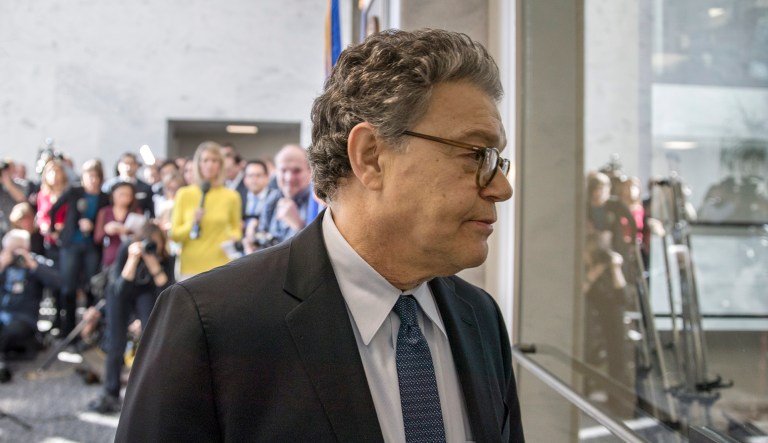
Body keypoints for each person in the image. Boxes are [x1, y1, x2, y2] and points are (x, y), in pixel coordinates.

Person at [117, 29, 523, 442]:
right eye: (476, 154)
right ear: (370, 156)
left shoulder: (480, 318)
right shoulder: (212, 325)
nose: (501, 188)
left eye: (497, 161)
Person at [88, 222, 174, 413]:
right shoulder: (127, 248)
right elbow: (120, 289)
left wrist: (153, 263)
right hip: (121, 294)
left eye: (155, 243)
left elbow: (166, 289)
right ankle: (111, 392)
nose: (150, 247)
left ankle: (149, 392)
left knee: (150, 339)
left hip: (146, 294)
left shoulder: (164, 257)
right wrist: (133, 259)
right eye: (148, 242)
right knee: (116, 343)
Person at [50, 159, 111, 334]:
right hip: (71, 244)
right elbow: (54, 209)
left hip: (92, 246)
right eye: (89, 176)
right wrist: (54, 230)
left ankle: (89, 327)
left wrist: (94, 226)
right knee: (68, 286)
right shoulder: (74, 192)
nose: (93, 180)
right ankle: (68, 327)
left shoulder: (104, 198)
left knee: (92, 286)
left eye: (96, 176)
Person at [170, 141, 242, 278]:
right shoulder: (184, 194)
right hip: (191, 266)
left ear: (221, 164)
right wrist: (192, 222)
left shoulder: (232, 196)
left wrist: (234, 237)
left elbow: (236, 228)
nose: (210, 165)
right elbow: (175, 234)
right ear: (198, 164)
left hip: (221, 264)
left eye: (214, 160)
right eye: (205, 160)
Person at [0, 229, 61, 382]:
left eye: (16, 249)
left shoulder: (36, 262)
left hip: (24, 317)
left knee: (10, 331)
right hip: (3, 313)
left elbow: (57, 283)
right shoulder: (4, 264)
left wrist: (32, 265)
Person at [258, 144, 313, 244]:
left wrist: (299, 226)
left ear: (310, 172)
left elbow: (319, 248)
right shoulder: (273, 199)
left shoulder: (318, 203)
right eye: (283, 170)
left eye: (297, 171)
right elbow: (262, 233)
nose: (289, 178)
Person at [94, 182, 143, 269]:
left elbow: (142, 235)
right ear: (113, 195)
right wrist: (107, 230)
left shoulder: (137, 212)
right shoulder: (104, 212)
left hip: (130, 257)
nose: (125, 198)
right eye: (121, 194)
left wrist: (127, 231)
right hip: (111, 256)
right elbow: (97, 238)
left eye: (128, 195)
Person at [240, 160, 277, 253]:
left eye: (258, 175)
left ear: (267, 177)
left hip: (267, 249)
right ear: (245, 179)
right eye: (250, 175)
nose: (254, 179)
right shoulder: (239, 198)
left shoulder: (275, 198)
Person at [102, 153, 155, 218]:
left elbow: (150, 211)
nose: (128, 167)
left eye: (131, 164)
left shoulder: (145, 187)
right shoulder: (109, 185)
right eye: (125, 163)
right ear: (119, 166)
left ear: (137, 166)